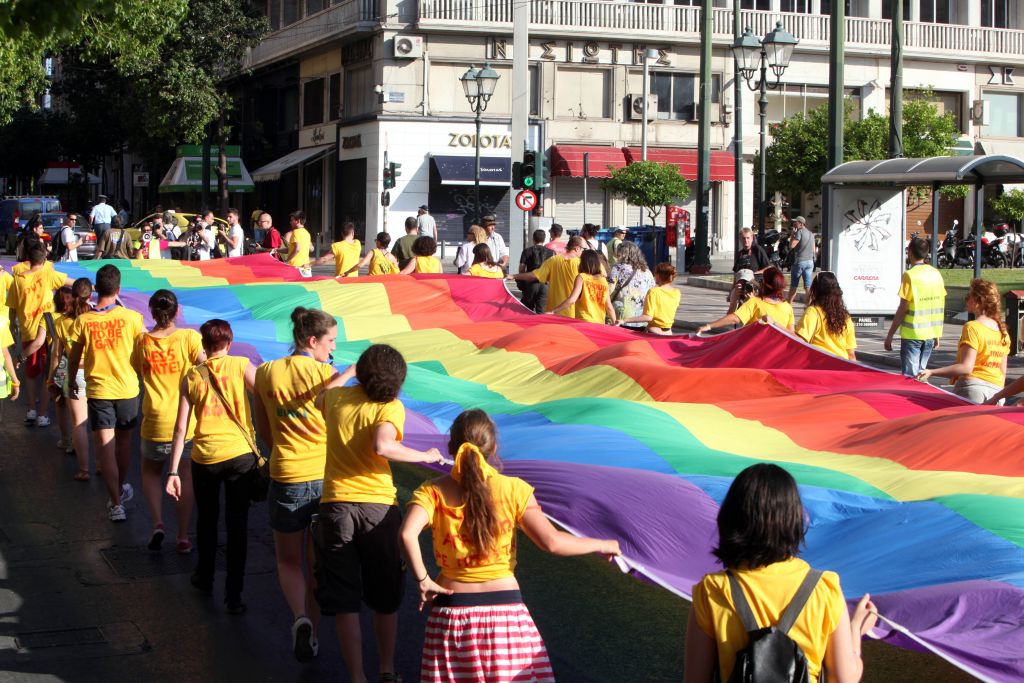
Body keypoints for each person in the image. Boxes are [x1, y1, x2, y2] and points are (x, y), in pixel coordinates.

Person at [400, 409, 620, 683]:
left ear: (451, 447)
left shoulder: (432, 491)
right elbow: (552, 542)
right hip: (505, 614)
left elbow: (407, 534)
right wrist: (602, 544)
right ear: (493, 449)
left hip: (452, 615)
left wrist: (423, 579)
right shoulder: (515, 489)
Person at [314, 344, 445, 683]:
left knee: (345, 601)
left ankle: (357, 677)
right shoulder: (390, 407)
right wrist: (426, 454)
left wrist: (346, 372)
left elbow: (319, 396)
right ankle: (386, 669)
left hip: (335, 507)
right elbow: (383, 446)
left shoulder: (338, 400)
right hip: (377, 509)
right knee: (385, 597)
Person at [684, 463, 877, 683]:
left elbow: (694, 679)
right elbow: (845, 678)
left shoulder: (712, 591)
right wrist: (855, 632)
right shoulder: (824, 588)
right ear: (793, 519)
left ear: (731, 518)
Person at [254, 307, 349, 662]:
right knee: (316, 562)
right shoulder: (328, 375)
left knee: (288, 561)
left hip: (287, 475)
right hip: (325, 476)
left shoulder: (266, 372)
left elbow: (263, 427)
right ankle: (315, 635)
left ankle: (301, 618)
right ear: (312, 340)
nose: (333, 348)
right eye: (331, 341)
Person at [166, 319, 258, 615]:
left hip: (204, 457)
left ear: (204, 346)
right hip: (240, 456)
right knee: (237, 525)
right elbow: (267, 398)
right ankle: (235, 594)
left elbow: (181, 428)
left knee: (206, 520)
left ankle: (205, 577)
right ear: (229, 343)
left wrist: (172, 471)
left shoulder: (191, 377)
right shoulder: (242, 365)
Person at [66, 264, 144, 522]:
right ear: (118, 289)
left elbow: (74, 357)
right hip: (127, 389)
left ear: (96, 289)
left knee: (105, 446)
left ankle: (116, 502)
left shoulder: (83, 320)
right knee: (122, 443)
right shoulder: (132, 318)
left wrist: (70, 381)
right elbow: (144, 352)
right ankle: (119, 489)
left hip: (99, 389)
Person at [133, 290, 204, 553]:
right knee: (185, 477)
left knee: (150, 472)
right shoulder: (189, 338)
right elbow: (206, 367)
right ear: (176, 311)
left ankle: (158, 523)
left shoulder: (142, 341)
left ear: (152, 312)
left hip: (153, 419)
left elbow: (137, 368)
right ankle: (183, 536)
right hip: (185, 421)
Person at [6, 244, 71, 426]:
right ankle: (43, 414)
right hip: (49, 331)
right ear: (43, 260)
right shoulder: (48, 274)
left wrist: (13, 327)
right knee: (47, 374)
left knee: (31, 373)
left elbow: (12, 307)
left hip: (28, 331)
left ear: (27, 259)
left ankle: (31, 410)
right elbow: (70, 283)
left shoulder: (18, 280)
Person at [918, 278, 1009, 404]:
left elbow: (966, 367)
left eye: (969, 296)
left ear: (979, 301)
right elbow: (1003, 371)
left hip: (972, 389)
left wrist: (932, 372)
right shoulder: (1002, 331)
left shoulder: (973, 327)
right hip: (997, 392)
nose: (966, 299)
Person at [49, 278, 93, 480]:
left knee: (79, 424)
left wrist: (51, 379)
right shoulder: (95, 318)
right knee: (101, 424)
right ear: (90, 295)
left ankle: (84, 469)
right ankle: (102, 464)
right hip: (98, 372)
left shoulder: (61, 322)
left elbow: (57, 355)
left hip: (75, 374)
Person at [884, 237, 946, 377]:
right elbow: (938, 302)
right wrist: (936, 334)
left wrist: (890, 335)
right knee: (922, 374)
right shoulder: (936, 274)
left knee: (910, 377)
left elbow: (903, 308)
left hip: (913, 334)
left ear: (910, 252)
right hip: (930, 333)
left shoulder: (910, 275)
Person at [698, 266, 795, 334]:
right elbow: (791, 334)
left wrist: (709, 326)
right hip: (778, 357)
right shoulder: (787, 307)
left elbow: (735, 318)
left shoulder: (755, 303)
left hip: (756, 354)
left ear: (764, 284)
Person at [509, 235, 585, 318]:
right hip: (573, 312)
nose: (584, 252)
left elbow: (534, 275)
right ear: (577, 248)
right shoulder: (581, 264)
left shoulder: (553, 260)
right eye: (584, 249)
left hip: (553, 311)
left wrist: (513, 276)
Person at [796, 272, 857, 360]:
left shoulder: (813, 312)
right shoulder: (846, 317)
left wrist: (776, 325)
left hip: (820, 366)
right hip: (842, 366)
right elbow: (851, 354)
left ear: (816, 291)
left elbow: (800, 342)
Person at [551, 250, 616, 324]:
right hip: (599, 324)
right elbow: (609, 307)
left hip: (583, 321)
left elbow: (572, 300)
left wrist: (553, 311)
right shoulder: (603, 281)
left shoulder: (581, 277)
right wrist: (615, 323)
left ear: (583, 263)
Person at [618, 262, 680, 334]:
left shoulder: (654, 291)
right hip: (668, 333)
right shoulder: (676, 292)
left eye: (655, 274)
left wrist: (624, 320)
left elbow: (647, 317)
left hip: (654, 332)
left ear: (658, 275)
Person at [609, 241, 656, 329]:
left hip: (621, 316)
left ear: (622, 254)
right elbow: (652, 291)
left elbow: (609, 291)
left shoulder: (618, 268)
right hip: (641, 318)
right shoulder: (647, 271)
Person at [518, 229, 554, 313]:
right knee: (541, 313)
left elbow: (521, 269)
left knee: (526, 311)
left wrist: (521, 280)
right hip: (545, 285)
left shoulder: (526, 251)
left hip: (530, 284)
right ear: (544, 240)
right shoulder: (551, 253)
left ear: (533, 239)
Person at [787, 216, 816, 304]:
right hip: (810, 262)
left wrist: (792, 234)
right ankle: (808, 306)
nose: (793, 223)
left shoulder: (799, 232)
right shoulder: (811, 234)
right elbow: (814, 249)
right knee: (807, 286)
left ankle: (788, 305)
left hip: (800, 262)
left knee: (794, 285)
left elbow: (791, 245)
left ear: (800, 223)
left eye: (795, 222)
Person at [284, 211, 313, 276]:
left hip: (296, 268)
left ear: (298, 221)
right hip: (306, 267)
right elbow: (310, 248)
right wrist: (277, 250)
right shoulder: (307, 233)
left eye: (292, 220)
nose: (290, 222)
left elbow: (297, 249)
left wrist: (287, 261)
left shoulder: (295, 232)